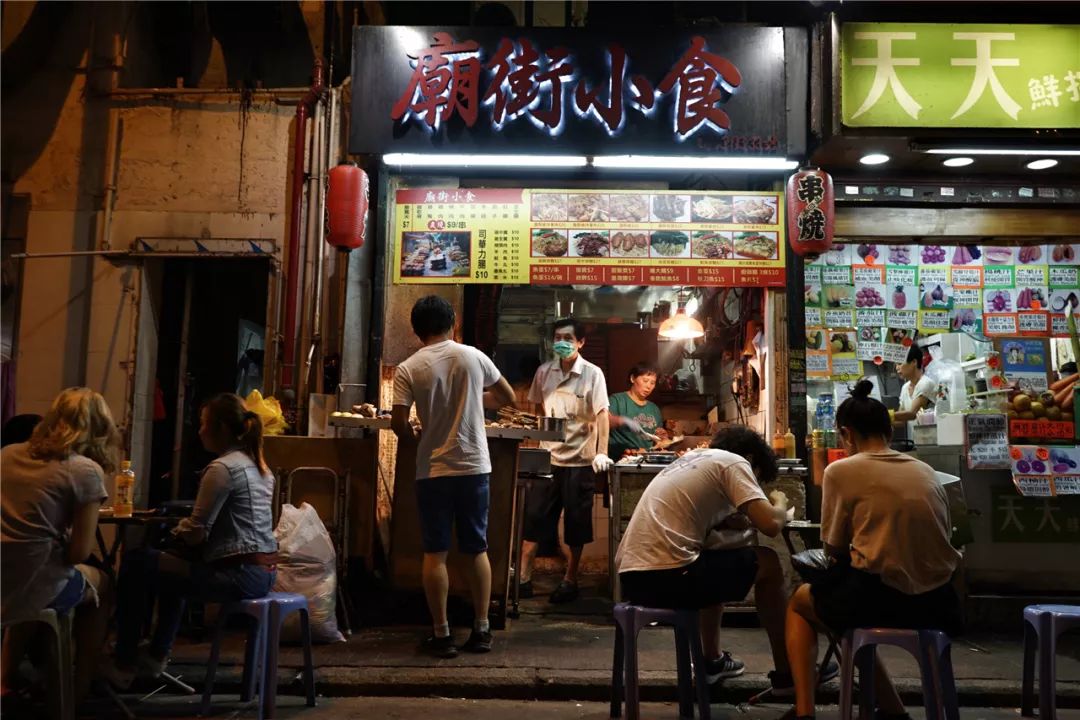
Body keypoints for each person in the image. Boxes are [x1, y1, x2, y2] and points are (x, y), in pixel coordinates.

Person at [784, 380, 962, 720]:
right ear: (888, 432)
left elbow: (833, 548)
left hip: (884, 601)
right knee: (844, 608)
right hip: (941, 603)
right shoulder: (925, 471)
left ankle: (804, 711)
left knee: (801, 601)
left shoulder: (841, 470)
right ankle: (892, 709)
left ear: (846, 434)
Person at [616, 426, 825, 691]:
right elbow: (771, 525)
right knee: (768, 563)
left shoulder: (692, 460)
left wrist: (731, 520)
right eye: (756, 480)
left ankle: (711, 661)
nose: (753, 487)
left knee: (717, 562)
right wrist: (780, 503)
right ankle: (788, 672)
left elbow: (696, 524)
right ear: (750, 460)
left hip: (634, 580)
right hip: (672, 577)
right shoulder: (734, 462)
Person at [104, 393, 278, 688]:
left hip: (235, 575)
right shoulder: (259, 467)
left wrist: (178, 529)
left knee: (136, 562)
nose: (199, 431)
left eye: (203, 424)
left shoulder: (221, 469)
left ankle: (124, 661)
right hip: (262, 574)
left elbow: (197, 531)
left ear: (221, 428)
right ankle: (155, 656)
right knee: (172, 568)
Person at [392, 295, 515, 658]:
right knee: (477, 547)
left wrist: (413, 437)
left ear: (416, 331)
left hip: (433, 469)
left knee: (436, 552)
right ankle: (481, 629)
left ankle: (442, 634)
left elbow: (399, 421)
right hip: (474, 466)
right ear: (453, 323)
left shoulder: (408, 367)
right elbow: (506, 397)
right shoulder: (473, 355)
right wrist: (475, 399)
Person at [1, 388, 118, 701]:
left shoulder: (7, 454)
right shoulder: (84, 470)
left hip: (3, 577)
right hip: (35, 582)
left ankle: (7, 679)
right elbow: (78, 552)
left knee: (29, 582)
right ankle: (77, 689)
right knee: (102, 585)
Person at [519, 318, 611, 604]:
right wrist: (533, 443)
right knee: (533, 520)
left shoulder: (593, 374)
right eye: (558, 337)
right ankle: (522, 578)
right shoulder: (544, 372)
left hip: (581, 461)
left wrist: (601, 451)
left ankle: (569, 579)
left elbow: (602, 415)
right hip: (548, 459)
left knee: (576, 525)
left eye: (569, 338)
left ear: (581, 342)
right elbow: (536, 408)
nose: (563, 342)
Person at [607, 362, 668, 461]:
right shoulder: (617, 400)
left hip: (647, 460)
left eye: (652, 383)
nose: (649, 386)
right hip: (621, 460)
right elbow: (602, 421)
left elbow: (657, 441)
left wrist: (661, 437)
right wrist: (622, 420)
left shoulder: (654, 408)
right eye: (645, 380)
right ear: (632, 379)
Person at [892, 345, 935, 433]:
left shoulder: (925, 383)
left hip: (933, 439)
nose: (897, 368)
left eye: (899, 363)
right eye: (896, 364)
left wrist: (883, 415)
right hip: (917, 441)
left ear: (914, 362)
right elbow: (901, 421)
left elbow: (912, 414)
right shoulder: (905, 388)